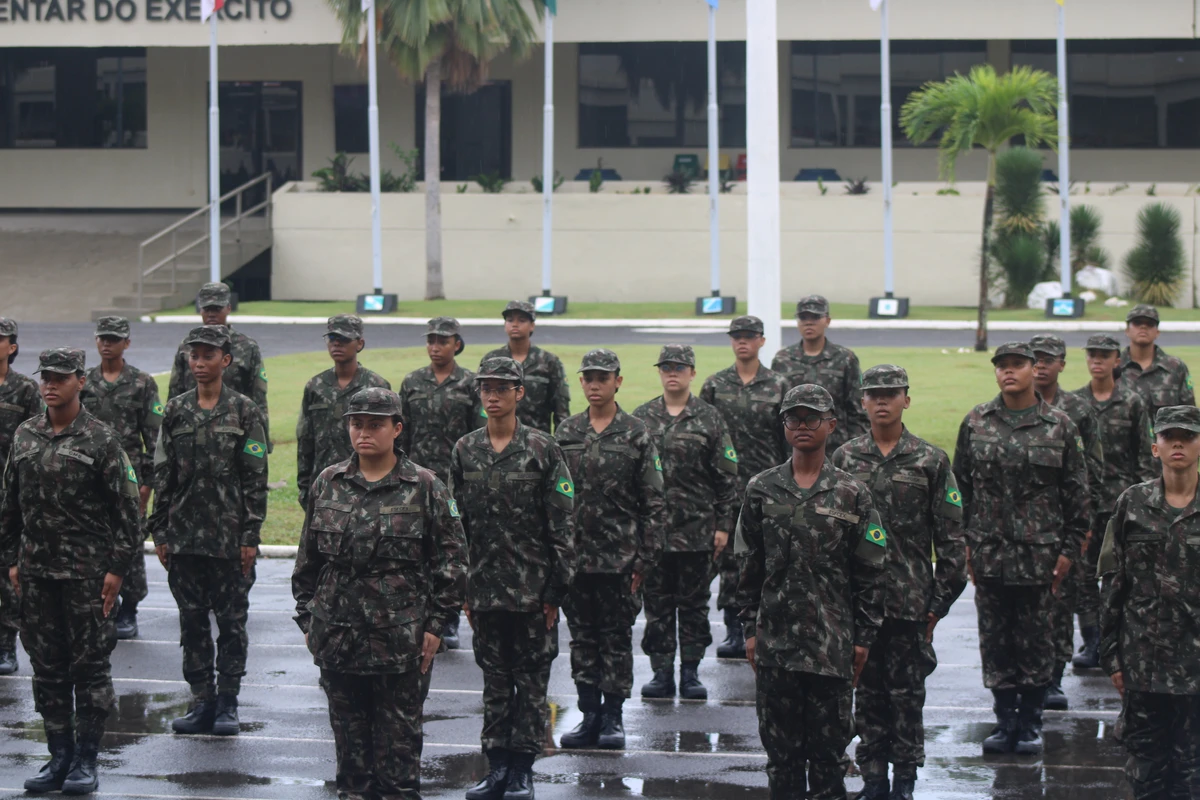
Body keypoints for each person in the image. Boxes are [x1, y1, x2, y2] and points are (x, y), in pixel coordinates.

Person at [293, 387, 468, 800]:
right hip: (339, 638)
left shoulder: (424, 486)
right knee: (351, 765)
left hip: (400, 641)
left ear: (397, 428)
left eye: (375, 423)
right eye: (357, 423)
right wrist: (308, 619)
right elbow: (308, 561)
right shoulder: (329, 483)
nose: (364, 432)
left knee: (399, 764)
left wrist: (438, 624)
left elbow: (453, 561)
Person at [0, 347, 142, 795]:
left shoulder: (101, 440)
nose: (50, 384)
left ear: (81, 381)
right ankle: (57, 756)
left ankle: (86, 759)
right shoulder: (26, 435)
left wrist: (117, 570)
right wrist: (11, 561)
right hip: (38, 575)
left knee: (90, 669)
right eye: (46, 377)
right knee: (46, 669)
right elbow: (9, 506)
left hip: (86, 576)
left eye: (61, 377)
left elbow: (127, 513)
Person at [736, 383, 886, 800]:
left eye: (812, 418)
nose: (802, 426)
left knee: (828, 760)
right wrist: (750, 629)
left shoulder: (851, 492)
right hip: (776, 645)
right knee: (781, 761)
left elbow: (871, 571)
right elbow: (746, 566)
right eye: (793, 418)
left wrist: (864, 639)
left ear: (831, 425)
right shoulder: (761, 488)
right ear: (783, 425)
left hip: (831, 647)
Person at [831, 365, 967, 800]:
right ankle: (873, 779)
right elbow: (833, 535)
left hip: (911, 605)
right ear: (863, 402)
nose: (883, 401)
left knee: (907, 697)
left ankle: (905, 783)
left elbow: (951, 540)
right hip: (859, 605)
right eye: (875, 394)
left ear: (907, 399)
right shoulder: (845, 459)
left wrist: (937, 606)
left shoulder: (930, 460)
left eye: (892, 393)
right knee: (867, 696)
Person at [952, 342, 1090, 756]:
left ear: (1034, 369)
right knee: (995, 641)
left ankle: (1030, 723)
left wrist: (1069, 551)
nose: (1008, 372)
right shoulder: (977, 421)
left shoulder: (1060, 425)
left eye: (1017, 365)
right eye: (1002, 367)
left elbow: (1077, 494)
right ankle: (1003, 720)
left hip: (1041, 557)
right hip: (990, 553)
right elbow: (960, 490)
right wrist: (965, 546)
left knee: (1035, 642)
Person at [450, 357, 575, 800]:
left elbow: (562, 524)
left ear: (519, 393)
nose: (492, 395)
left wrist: (556, 589)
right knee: (494, 683)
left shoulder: (543, 449)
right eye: (486, 388)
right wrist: (461, 586)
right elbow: (456, 524)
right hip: (484, 590)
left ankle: (523, 769)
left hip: (532, 590)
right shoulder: (465, 449)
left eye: (502, 388)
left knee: (532, 683)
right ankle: (496, 766)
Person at [150, 325, 269, 737]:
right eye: (194, 355)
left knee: (233, 624)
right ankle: (201, 699)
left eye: (208, 355)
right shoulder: (176, 410)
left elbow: (255, 479)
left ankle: (228, 704)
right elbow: (162, 472)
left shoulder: (244, 411)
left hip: (228, 538)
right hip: (184, 537)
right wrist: (159, 530)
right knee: (192, 623)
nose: (199, 362)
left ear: (226, 360)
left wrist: (250, 537)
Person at [555, 349, 665, 750]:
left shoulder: (637, 432)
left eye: (603, 377)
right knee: (582, 640)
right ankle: (589, 716)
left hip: (621, 559)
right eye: (589, 378)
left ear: (618, 381)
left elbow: (654, 499)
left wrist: (646, 557)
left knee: (616, 639)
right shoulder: (565, 432)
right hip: (576, 559)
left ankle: (614, 719)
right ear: (582, 383)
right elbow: (553, 497)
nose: (595, 384)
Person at [1099, 405, 1200, 800]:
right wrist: (1111, 656)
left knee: (1191, 775)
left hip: (1195, 667)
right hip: (1144, 664)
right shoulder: (1132, 505)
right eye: (1169, 435)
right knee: (1145, 772)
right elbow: (1112, 585)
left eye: (1189, 436)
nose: (1179, 442)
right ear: (1155, 447)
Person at [633, 344, 738, 700]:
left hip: (697, 531)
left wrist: (723, 525)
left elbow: (726, 478)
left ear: (693, 373)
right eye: (666, 367)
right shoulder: (642, 417)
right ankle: (661, 673)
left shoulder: (710, 418)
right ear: (659, 372)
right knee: (658, 606)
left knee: (693, 606)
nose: (672, 372)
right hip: (655, 533)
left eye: (680, 367)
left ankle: (691, 673)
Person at [699, 315, 789, 659]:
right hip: (727, 487)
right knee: (731, 561)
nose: (742, 342)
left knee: (771, 557)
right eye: (737, 336)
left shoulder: (778, 385)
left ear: (762, 341)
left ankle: (770, 626)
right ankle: (735, 630)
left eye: (749, 336)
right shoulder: (715, 385)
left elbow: (789, 439)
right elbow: (704, 436)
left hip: (769, 487)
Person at [1029, 334, 1105, 711]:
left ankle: (1053, 678)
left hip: (1062, 526)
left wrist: (1085, 522)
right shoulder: (1007, 409)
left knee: (1060, 602)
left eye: (1048, 359)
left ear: (1062, 364)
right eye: (1035, 359)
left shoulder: (1078, 410)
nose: (1041, 365)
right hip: (1021, 529)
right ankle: (1025, 679)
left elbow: (1093, 470)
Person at [1071, 334, 1155, 671]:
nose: (1097, 361)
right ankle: (1092, 640)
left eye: (1105, 356)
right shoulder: (1075, 403)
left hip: (1121, 504)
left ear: (1116, 361)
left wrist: (1144, 502)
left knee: (1118, 576)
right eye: (1092, 355)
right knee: (1083, 576)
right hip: (1084, 504)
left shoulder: (1133, 403)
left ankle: (1115, 640)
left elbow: (1145, 458)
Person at [398, 317, 483, 650]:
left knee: (451, 551)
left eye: (442, 341)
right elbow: (400, 432)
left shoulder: (471, 384)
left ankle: (449, 619)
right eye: (431, 340)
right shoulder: (412, 382)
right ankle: (420, 614)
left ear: (456, 345)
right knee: (418, 549)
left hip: (454, 481)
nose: (435, 346)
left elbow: (478, 437)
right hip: (418, 479)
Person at [80, 315, 162, 641]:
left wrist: (147, 485)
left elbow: (154, 439)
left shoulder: (142, 383)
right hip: (89, 477)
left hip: (128, 479)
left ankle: (130, 608)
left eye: (114, 338)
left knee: (129, 542)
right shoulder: (83, 381)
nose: (106, 343)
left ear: (126, 343)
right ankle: (98, 605)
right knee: (93, 542)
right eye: (102, 338)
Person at [296, 314, 390, 510]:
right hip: (324, 483)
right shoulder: (316, 386)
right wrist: (304, 486)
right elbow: (305, 439)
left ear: (359, 343)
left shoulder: (376, 385)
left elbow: (389, 439)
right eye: (332, 339)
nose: (337, 344)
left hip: (366, 483)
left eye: (344, 339)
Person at [167, 282, 270, 449]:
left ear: (228, 308)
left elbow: (258, 395)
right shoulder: (186, 346)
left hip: (234, 429)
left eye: (217, 309)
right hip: (191, 428)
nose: (211, 314)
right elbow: (175, 390)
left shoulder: (247, 346)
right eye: (207, 309)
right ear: (200, 310)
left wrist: (262, 437)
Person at [770, 295, 869, 453]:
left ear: (827, 321)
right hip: (794, 450)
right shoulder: (783, 360)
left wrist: (855, 452)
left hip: (836, 450)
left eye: (815, 317)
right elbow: (776, 412)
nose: (809, 322)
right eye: (803, 317)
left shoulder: (845, 359)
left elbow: (857, 411)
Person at [0, 317, 42, 676]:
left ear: (12, 347)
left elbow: (38, 439)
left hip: (9, 495)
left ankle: (6, 647)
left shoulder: (26, 390)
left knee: (7, 573)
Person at [481, 301, 570, 433]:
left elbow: (561, 409)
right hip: (498, 439)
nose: (515, 324)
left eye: (521, 320)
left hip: (538, 442)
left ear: (532, 325)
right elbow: (481, 406)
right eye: (510, 320)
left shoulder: (549, 362)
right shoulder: (491, 360)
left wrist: (560, 445)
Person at [1119, 304, 1195, 421]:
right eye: (1137, 323)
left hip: (1165, 438)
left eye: (1150, 324)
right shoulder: (1114, 366)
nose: (1143, 327)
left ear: (1157, 332)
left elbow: (1190, 415)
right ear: (1127, 331)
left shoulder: (1175, 368)